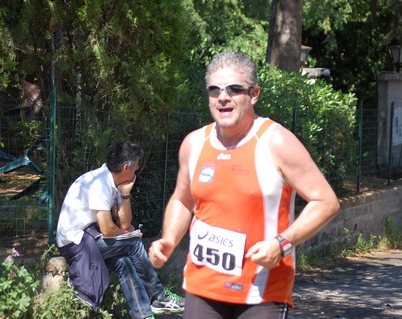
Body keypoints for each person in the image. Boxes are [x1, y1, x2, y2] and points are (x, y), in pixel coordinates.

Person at [148, 51, 341, 319]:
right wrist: (168, 239)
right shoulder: (194, 144)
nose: (223, 97)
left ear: (254, 94)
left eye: (234, 89)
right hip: (202, 288)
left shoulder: (276, 142)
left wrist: (282, 244)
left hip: (260, 293)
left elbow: (326, 201)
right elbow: (182, 200)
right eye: (214, 90)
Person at [55, 141, 184, 319]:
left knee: (125, 262)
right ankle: (159, 297)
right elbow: (108, 229)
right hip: (76, 244)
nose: (138, 168)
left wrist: (125, 194)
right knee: (134, 244)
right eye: (136, 164)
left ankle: (143, 315)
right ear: (126, 167)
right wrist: (129, 236)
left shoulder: (113, 183)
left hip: (91, 239)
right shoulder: (100, 184)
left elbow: (124, 224)